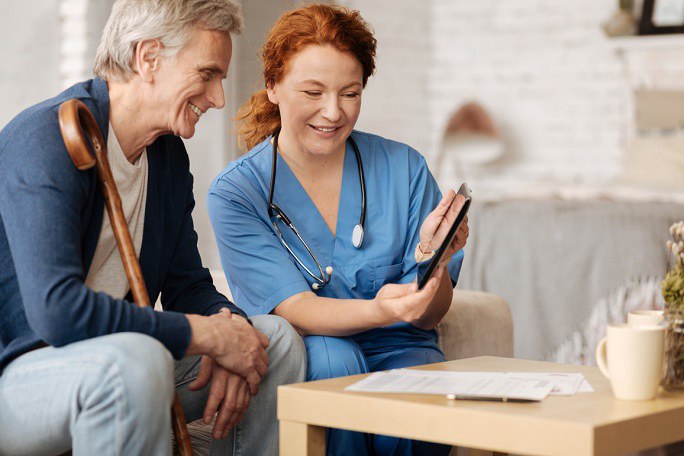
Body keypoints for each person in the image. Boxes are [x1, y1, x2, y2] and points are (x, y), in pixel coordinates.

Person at [0, 0, 305, 454]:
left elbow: (189, 287)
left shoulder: (165, 157)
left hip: (121, 363)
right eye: (207, 74)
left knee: (274, 341)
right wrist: (205, 336)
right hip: (23, 378)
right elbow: (57, 312)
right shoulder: (47, 138)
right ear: (148, 59)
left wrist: (232, 332)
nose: (218, 98)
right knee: (132, 361)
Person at [207, 4, 469, 455]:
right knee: (334, 359)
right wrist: (387, 309)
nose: (333, 112)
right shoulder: (238, 193)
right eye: (313, 92)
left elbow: (429, 312)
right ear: (272, 86)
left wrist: (435, 259)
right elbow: (296, 310)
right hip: (316, 354)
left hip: (400, 348)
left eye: (350, 93)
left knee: (414, 413)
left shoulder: (404, 168)